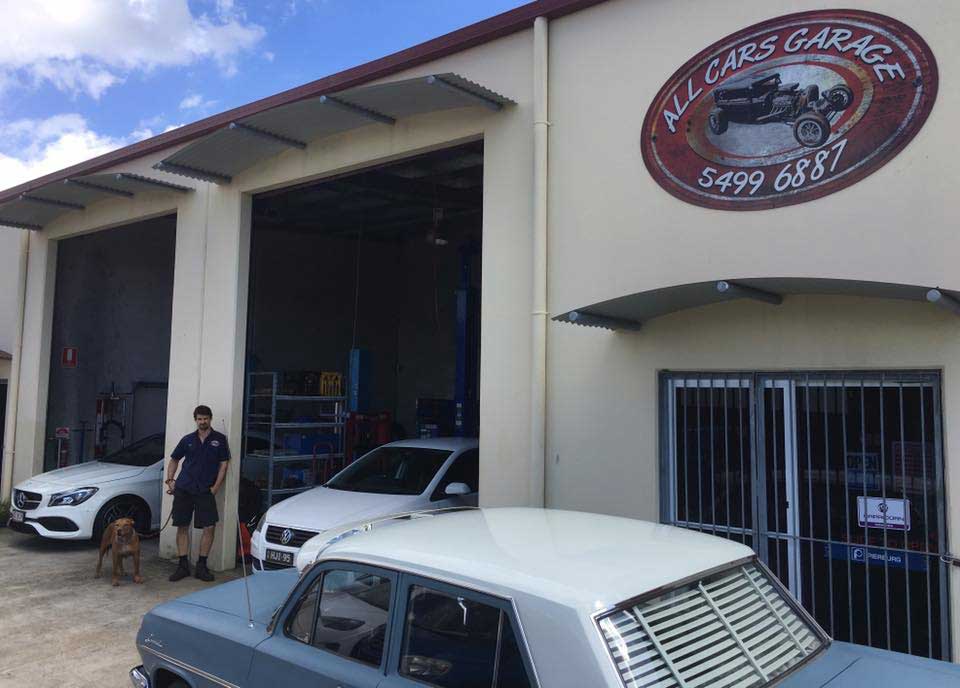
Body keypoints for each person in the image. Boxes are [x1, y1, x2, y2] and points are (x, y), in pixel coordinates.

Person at [165, 405, 230, 582]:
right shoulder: (187, 440)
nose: (203, 421)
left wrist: (216, 487)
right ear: (196, 420)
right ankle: (183, 565)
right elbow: (174, 459)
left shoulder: (220, 440)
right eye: (199, 419)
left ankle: (202, 566)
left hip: (205, 490)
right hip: (184, 488)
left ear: (210, 418)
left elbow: (223, 465)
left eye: (205, 418)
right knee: (182, 526)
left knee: (209, 527)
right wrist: (171, 480)